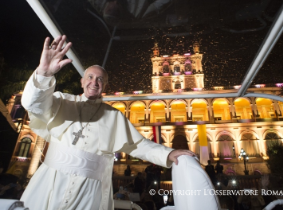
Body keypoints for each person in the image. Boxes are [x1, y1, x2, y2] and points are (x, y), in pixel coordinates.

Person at [20, 35, 195, 210]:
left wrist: (168, 154)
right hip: (50, 182)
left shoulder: (114, 116)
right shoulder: (61, 101)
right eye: (89, 77)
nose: (94, 82)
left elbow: (138, 145)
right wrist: (43, 74)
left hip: (89, 191)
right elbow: (32, 104)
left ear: (106, 87)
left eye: (100, 79)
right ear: (82, 82)